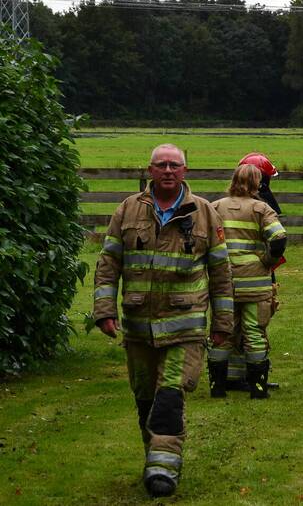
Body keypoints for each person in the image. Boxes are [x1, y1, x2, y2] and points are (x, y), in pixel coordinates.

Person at [93, 144, 233, 498]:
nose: (168, 170)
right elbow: (108, 264)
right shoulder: (127, 210)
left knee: (169, 396)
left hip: (186, 326)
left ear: (185, 171)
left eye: (175, 165)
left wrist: (223, 323)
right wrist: (104, 310)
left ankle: (164, 471)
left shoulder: (204, 213)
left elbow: (220, 272)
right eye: (162, 165)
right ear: (150, 170)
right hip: (139, 327)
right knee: (145, 399)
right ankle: (155, 459)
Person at [209, 164, 287, 399]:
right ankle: (258, 387)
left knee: (223, 331)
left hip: (223, 281)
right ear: (256, 183)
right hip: (254, 281)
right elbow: (279, 239)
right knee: (254, 331)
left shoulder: (215, 208)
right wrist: (266, 260)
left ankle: (218, 386)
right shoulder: (261, 208)